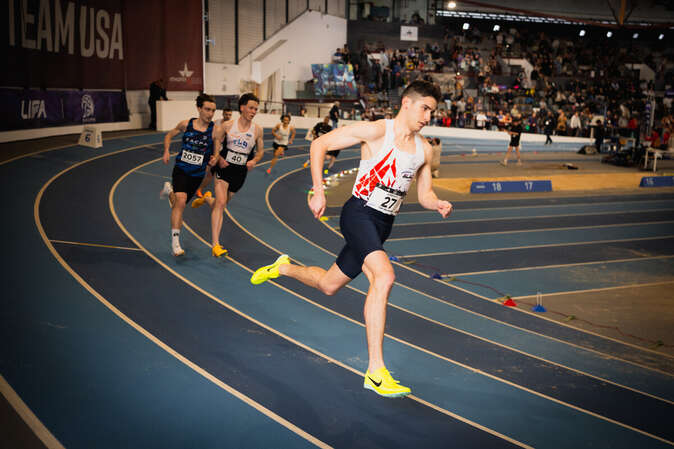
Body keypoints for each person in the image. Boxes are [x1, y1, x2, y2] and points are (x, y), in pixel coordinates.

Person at [250, 80, 453, 398]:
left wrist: (437, 202)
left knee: (328, 285)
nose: (428, 117)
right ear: (406, 103)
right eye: (425, 108)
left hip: (382, 225)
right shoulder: (376, 131)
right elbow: (319, 145)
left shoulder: (424, 150)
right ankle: (375, 371)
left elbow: (424, 193)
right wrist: (318, 191)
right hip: (358, 214)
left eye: (432, 111)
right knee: (384, 276)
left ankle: (283, 267)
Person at [195, 93, 265, 257]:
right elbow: (215, 143)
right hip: (224, 168)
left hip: (240, 172)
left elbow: (261, 152)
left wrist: (254, 160)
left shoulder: (257, 130)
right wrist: (218, 158)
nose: (254, 111)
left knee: (221, 204)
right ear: (242, 107)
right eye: (251, 108)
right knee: (220, 204)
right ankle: (215, 245)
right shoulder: (227, 126)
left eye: (256, 109)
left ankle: (207, 198)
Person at [159, 93, 220, 256]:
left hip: (197, 175)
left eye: (213, 110)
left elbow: (217, 152)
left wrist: (215, 158)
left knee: (178, 204)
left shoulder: (215, 130)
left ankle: (169, 191)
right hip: (181, 169)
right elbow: (168, 135)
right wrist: (166, 150)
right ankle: (175, 243)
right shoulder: (186, 124)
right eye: (207, 109)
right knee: (180, 202)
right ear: (199, 108)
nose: (210, 113)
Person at [192, 108, 234, 207]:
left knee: (212, 174)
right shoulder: (216, 123)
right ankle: (195, 186)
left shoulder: (232, 126)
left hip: (222, 153)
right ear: (223, 114)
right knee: (204, 170)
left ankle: (199, 189)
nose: (228, 116)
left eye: (230, 115)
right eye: (226, 114)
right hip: (211, 149)